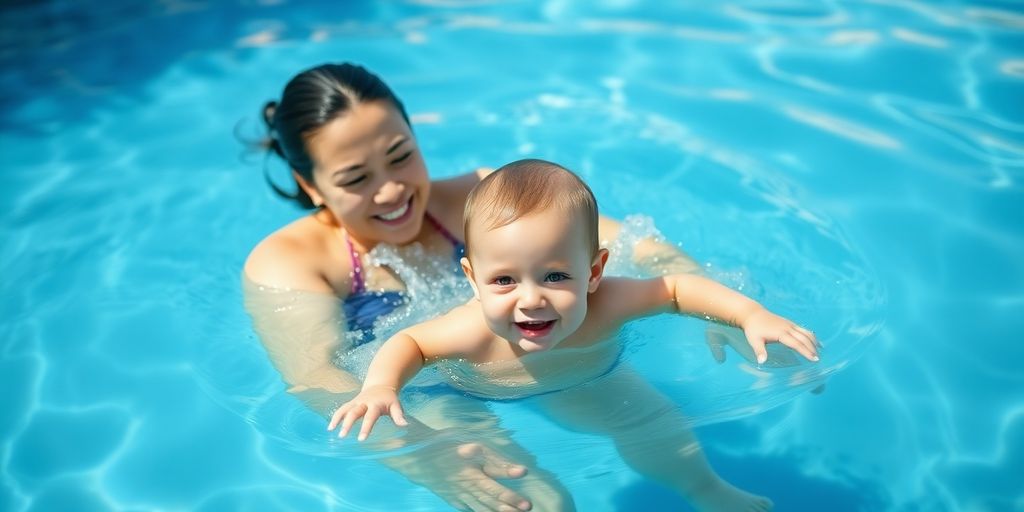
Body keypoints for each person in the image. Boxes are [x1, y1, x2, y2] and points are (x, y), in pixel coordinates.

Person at [243, 63, 702, 511]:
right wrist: (418, 450)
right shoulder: (289, 262)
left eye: (401, 156)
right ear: (311, 184)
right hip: (418, 392)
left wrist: (708, 302)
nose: (391, 191)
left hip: (529, 347)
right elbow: (317, 378)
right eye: (357, 179)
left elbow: (634, 245)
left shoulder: (478, 195)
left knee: (659, 429)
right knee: (540, 503)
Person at [329, 159, 820, 512]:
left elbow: (676, 288)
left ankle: (704, 489)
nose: (530, 300)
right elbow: (409, 343)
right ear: (472, 279)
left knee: (654, 420)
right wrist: (381, 387)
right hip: (467, 387)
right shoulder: (470, 330)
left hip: (582, 375)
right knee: (532, 500)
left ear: (594, 271)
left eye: (555, 277)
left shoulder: (608, 303)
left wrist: (748, 315)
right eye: (503, 280)